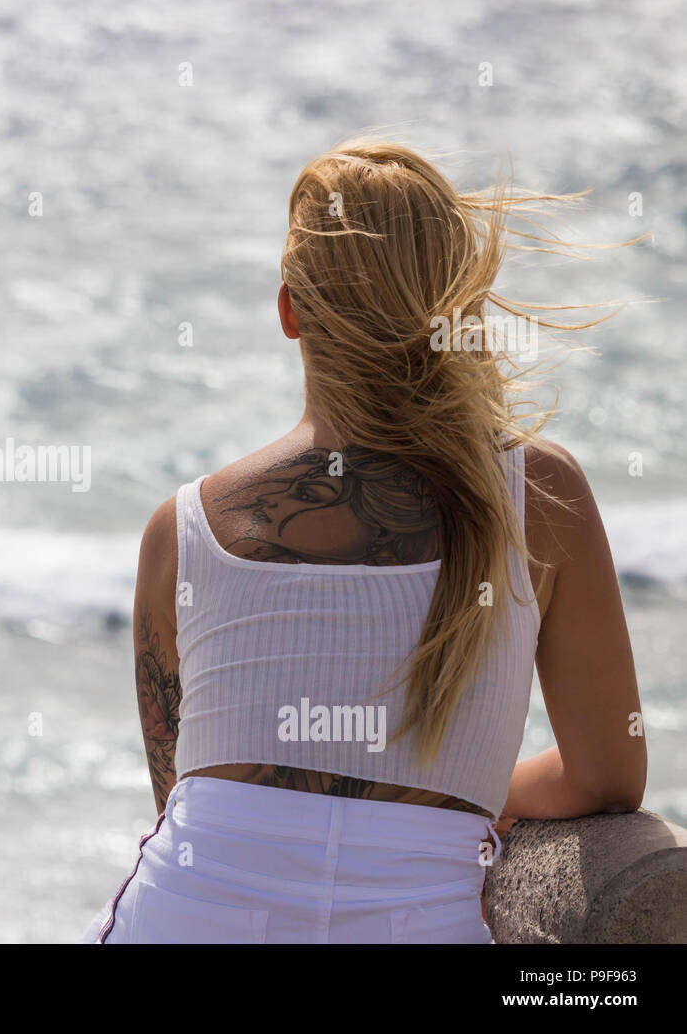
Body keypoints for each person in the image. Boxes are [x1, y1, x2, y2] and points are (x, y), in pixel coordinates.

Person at [83, 139, 646, 944]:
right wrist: (468, 789)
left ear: (288, 311)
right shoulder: (541, 497)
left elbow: (184, 805)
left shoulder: (182, 533)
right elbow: (607, 777)